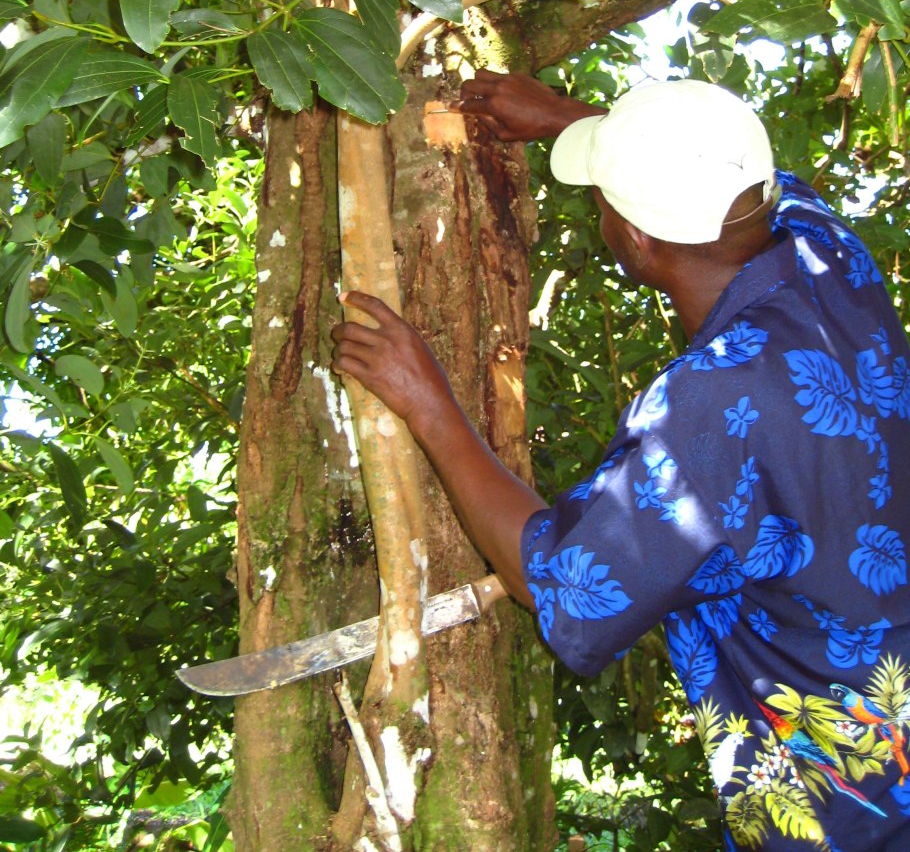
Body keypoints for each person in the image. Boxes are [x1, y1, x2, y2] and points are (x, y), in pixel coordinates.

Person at [331, 70, 910, 851]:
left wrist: (428, 400)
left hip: (855, 805)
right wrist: (581, 122)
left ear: (635, 240)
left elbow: (568, 590)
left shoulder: (709, 408)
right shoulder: (829, 255)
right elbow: (732, 178)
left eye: (606, 198)